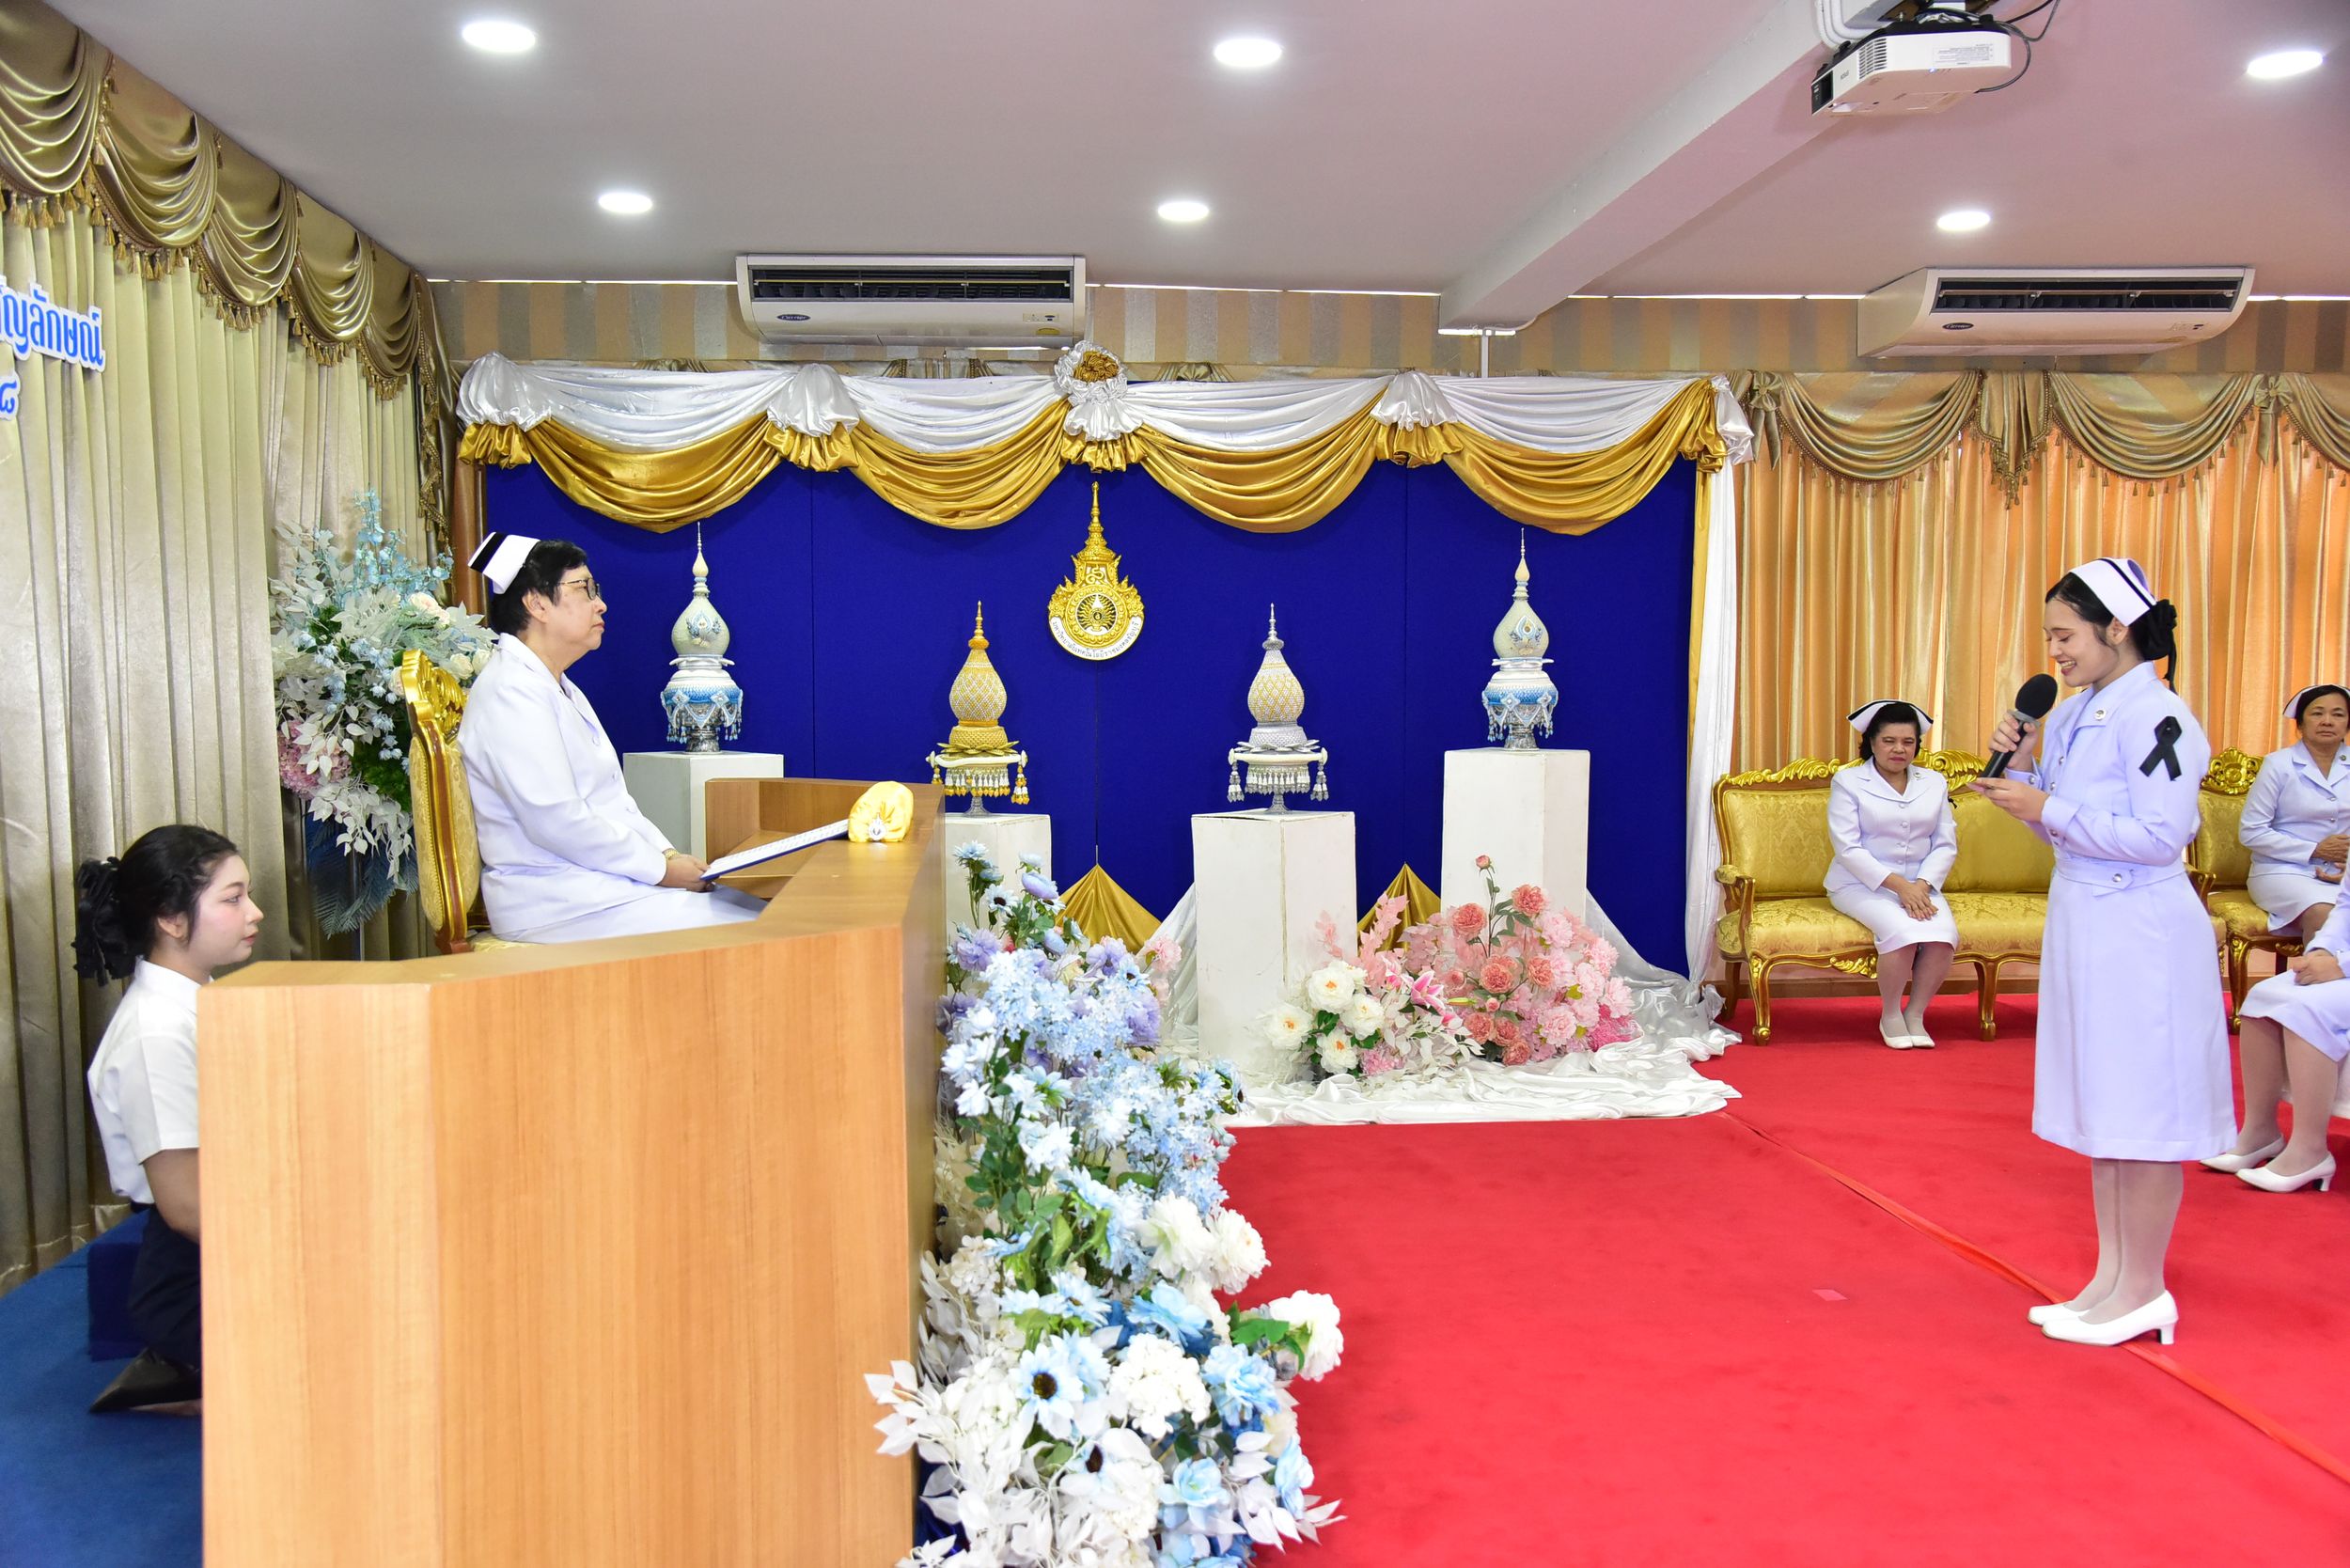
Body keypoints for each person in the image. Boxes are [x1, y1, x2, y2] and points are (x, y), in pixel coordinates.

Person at [1973, 557, 2231, 1348]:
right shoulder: (2081, 712)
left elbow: (2160, 836)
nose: (2055, 652)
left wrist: (2046, 803)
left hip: (2141, 933)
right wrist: (2024, 774)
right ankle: (2111, 1280)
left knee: (2142, 1114)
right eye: (2051, 636)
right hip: (2088, 920)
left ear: (2116, 628)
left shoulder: (2158, 718)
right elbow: (2067, 828)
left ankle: (2145, 1290)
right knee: (2108, 1111)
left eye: (2066, 635)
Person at [459, 531, 762, 943]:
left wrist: (667, 855)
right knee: (757, 929)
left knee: (763, 910)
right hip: (555, 901)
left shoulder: (558, 686)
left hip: (597, 887)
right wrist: (661, 871)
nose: (600, 604)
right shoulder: (509, 690)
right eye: (584, 589)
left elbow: (615, 802)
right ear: (537, 604)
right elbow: (557, 820)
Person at [76, 824, 264, 1402]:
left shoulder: (195, 1001)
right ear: (171, 919)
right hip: (195, 1276)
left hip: (232, 1231)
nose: (254, 912)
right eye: (233, 899)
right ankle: (187, 1369)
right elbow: (188, 1208)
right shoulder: (155, 1032)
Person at [1825, 699, 1959, 1049]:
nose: (1899, 749)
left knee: (1944, 937)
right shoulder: (1849, 781)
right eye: (1889, 741)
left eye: (1908, 742)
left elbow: (1945, 843)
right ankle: (1890, 1014)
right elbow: (1848, 848)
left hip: (1921, 885)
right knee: (1902, 933)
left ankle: (1915, 1013)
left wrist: (1922, 885)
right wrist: (1900, 887)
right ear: (1872, 742)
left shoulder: (1933, 782)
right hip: (1859, 884)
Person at [2205, 870, 2348, 1194]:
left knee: (2308, 1009)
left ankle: (2310, 1149)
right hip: (2341, 965)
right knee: (2263, 997)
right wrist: (2321, 951)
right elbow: (2346, 905)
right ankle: (2261, 1132)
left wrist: (2341, 966)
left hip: (2345, 968)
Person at [2238, 682, 2350, 942]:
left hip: (2343, 873)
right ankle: (2320, 968)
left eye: (2338, 714)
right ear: (2300, 724)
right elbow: (2251, 832)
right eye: (2317, 713)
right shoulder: (2278, 765)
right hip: (2284, 871)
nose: (2327, 721)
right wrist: (2315, 850)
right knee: (2327, 914)